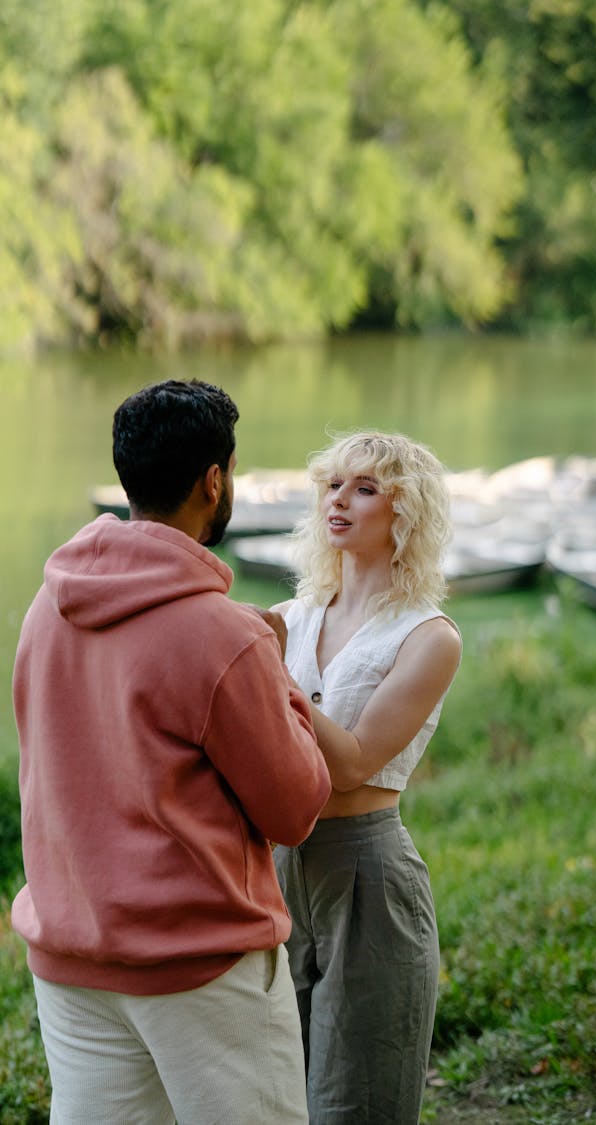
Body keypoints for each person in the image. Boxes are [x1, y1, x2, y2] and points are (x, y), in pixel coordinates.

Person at [11, 379, 331, 1125]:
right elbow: (295, 808)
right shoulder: (223, 634)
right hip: (200, 969)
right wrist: (278, 672)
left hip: (72, 960)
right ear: (212, 480)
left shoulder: (47, 606)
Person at [270, 430, 462, 1125]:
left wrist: (270, 674)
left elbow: (351, 761)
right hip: (278, 866)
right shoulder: (293, 616)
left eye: (366, 487)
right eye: (333, 483)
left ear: (404, 513)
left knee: (360, 1103)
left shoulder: (428, 636)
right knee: (276, 1092)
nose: (340, 499)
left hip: (369, 874)